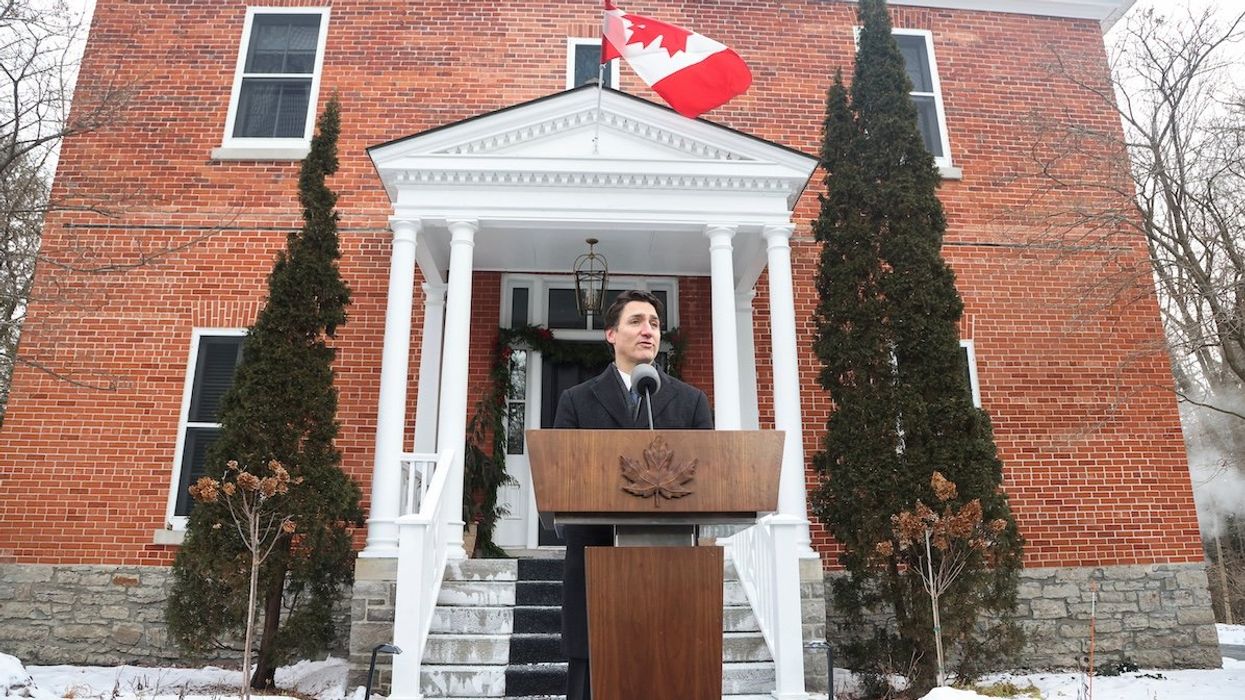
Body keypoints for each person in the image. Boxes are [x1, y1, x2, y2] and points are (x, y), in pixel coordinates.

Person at [553, 289, 713, 700]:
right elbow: (560, 477)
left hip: (671, 574)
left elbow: (708, 482)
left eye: (655, 324)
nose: (648, 331)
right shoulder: (576, 401)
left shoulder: (691, 402)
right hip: (595, 568)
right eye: (636, 321)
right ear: (611, 334)